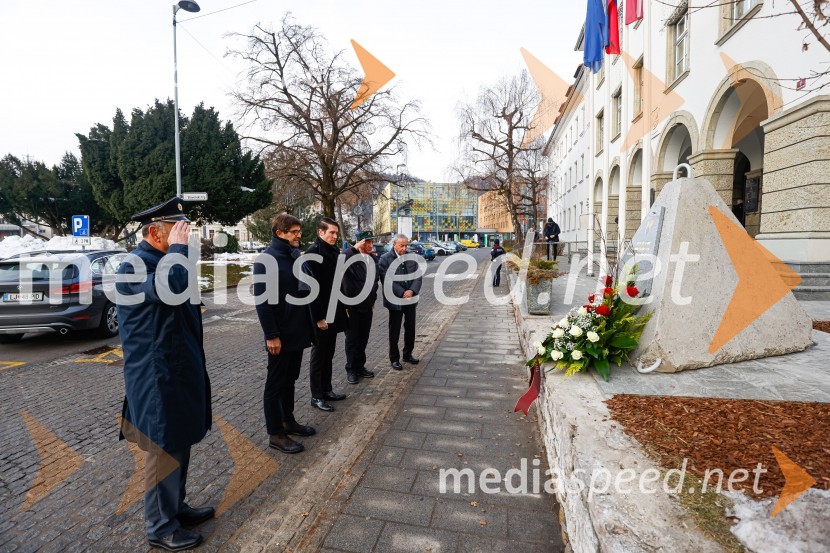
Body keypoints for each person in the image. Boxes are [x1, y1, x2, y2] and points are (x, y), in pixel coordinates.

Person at [116, 197, 213, 552]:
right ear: (156, 233)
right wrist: (177, 252)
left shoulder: (164, 261)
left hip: (176, 370)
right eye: (179, 231)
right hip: (156, 377)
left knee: (180, 440)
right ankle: (159, 525)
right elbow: (168, 289)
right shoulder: (135, 265)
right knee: (164, 447)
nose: (186, 238)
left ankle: (175, 507)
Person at [253, 213, 317, 454]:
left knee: (290, 380)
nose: (299, 235)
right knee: (275, 384)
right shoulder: (266, 260)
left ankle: (288, 421)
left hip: (297, 330)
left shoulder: (293, 257)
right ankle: (275, 434)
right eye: (294, 232)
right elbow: (262, 302)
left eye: (299, 231)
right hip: (280, 334)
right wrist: (271, 335)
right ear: (280, 233)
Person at [304, 218, 349, 412]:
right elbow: (310, 291)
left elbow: (337, 284)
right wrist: (318, 318)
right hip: (320, 313)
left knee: (329, 353)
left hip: (334, 310)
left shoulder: (334, 252)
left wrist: (344, 306)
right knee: (319, 355)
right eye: (331, 233)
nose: (334, 236)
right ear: (320, 232)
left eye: (336, 233)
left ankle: (327, 389)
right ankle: (316, 395)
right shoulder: (312, 254)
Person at [377, 234, 422, 370]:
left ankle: (407, 354)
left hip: (410, 299)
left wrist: (412, 291)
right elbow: (386, 279)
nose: (404, 248)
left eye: (406, 245)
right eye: (401, 245)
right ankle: (394, 358)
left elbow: (418, 276)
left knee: (410, 328)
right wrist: (402, 292)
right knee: (394, 330)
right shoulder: (385, 259)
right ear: (394, 245)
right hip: (395, 300)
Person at [342, 230, 380, 384]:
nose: (371, 245)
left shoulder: (372, 259)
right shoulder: (350, 257)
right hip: (351, 307)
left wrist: (372, 299)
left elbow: (375, 282)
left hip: (367, 306)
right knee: (352, 339)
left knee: (363, 337)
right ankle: (351, 368)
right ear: (360, 243)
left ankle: (360, 366)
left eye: (371, 242)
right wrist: (353, 248)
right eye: (367, 242)